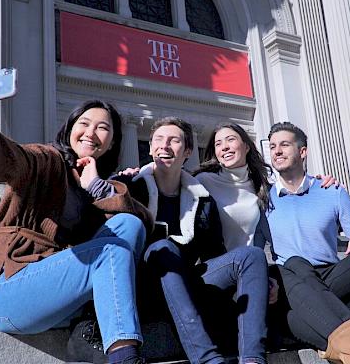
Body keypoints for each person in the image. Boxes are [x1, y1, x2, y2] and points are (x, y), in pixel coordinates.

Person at [0, 70, 153, 364]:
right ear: (69, 129)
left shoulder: (106, 186)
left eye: (103, 127)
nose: (92, 133)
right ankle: (125, 357)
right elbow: (13, 159)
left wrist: (95, 187)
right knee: (111, 250)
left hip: (63, 302)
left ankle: (97, 332)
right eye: (84, 123)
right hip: (13, 290)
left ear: (112, 141)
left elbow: (142, 224)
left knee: (128, 224)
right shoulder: (49, 160)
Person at [115, 117, 270, 364]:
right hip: (144, 284)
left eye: (174, 140)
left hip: (188, 281)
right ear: (152, 146)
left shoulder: (202, 199)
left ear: (187, 151)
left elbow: (214, 254)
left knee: (251, 255)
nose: (164, 146)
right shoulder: (129, 188)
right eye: (158, 139)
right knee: (163, 248)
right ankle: (209, 360)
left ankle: (253, 359)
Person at [258, 121, 350, 364]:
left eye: (284, 145)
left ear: (302, 151)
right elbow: (253, 250)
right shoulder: (264, 201)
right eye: (273, 146)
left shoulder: (331, 190)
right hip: (292, 286)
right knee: (295, 265)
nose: (277, 151)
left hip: (330, 278)